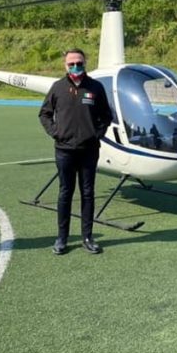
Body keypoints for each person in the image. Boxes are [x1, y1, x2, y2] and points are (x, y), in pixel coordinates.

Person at [39, 48, 113, 255]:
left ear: (85, 62)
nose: (75, 67)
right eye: (71, 64)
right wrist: (56, 132)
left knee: (88, 193)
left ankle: (87, 237)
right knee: (65, 193)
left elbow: (106, 116)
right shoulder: (58, 87)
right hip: (64, 150)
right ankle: (62, 238)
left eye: (78, 63)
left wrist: (96, 134)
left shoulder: (96, 87)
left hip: (89, 151)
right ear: (65, 66)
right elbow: (44, 114)